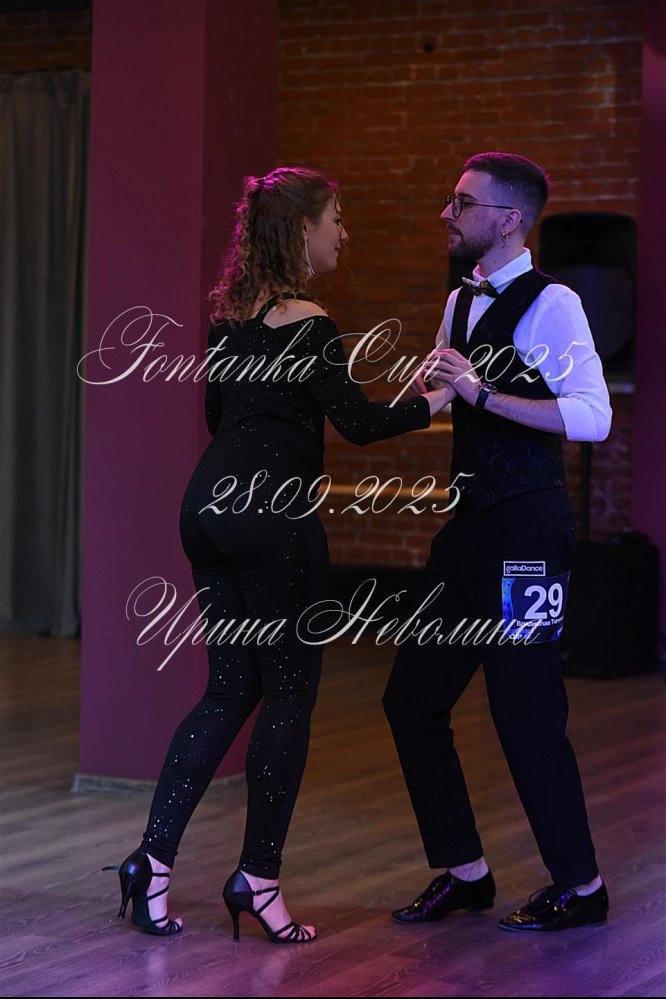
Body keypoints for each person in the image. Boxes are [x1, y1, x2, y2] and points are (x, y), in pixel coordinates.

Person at [102, 166, 452, 944]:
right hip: (272, 517)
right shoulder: (311, 321)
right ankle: (257, 877)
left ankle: (149, 865)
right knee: (289, 694)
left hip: (207, 508)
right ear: (301, 230)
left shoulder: (230, 320)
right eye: (336, 218)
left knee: (229, 689)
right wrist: (436, 399)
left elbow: (218, 414)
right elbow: (357, 424)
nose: (344, 233)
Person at [382, 152, 613, 932]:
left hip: (529, 534)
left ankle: (581, 886)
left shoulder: (556, 304)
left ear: (509, 219)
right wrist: (428, 391)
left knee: (525, 712)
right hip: (470, 526)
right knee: (411, 698)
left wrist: (480, 391)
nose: (447, 213)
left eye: (463, 202)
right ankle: (465, 871)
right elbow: (449, 396)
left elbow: (593, 416)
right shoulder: (459, 300)